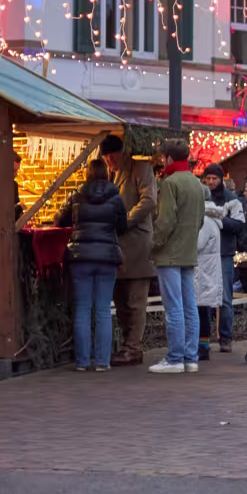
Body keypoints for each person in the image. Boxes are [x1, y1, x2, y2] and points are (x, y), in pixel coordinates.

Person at [54, 159, 128, 372]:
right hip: (107, 257)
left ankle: (82, 362)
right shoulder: (116, 198)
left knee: (83, 308)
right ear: (106, 173)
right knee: (104, 309)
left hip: (81, 257)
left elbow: (60, 221)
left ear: (87, 173)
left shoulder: (76, 195)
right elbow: (122, 226)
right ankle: (103, 362)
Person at [101, 134, 158, 367]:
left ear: (121, 153)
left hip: (136, 245)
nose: (108, 161)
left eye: (111, 156)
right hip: (118, 247)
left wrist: (127, 220)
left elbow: (149, 200)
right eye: (105, 158)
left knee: (135, 301)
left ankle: (133, 347)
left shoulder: (140, 169)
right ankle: (128, 345)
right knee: (122, 300)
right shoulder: (111, 174)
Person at [149, 140, 206, 374]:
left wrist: (154, 244)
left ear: (169, 158)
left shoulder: (169, 182)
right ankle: (190, 357)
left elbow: (165, 221)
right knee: (189, 306)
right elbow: (201, 220)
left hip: (169, 253)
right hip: (188, 251)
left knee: (173, 307)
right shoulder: (196, 183)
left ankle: (175, 359)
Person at [200, 165, 245, 352]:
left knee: (225, 296)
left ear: (220, 180)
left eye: (214, 179)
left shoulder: (232, 200)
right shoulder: (201, 197)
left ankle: (225, 336)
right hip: (204, 253)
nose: (210, 182)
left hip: (224, 253)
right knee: (204, 296)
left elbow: (239, 224)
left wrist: (219, 221)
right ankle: (204, 338)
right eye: (208, 178)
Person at [195, 203, 225, 360]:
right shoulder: (211, 220)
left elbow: (198, 244)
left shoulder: (205, 221)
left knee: (201, 308)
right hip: (207, 269)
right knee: (203, 308)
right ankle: (203, 345)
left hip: (203, 269)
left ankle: (202, 346)